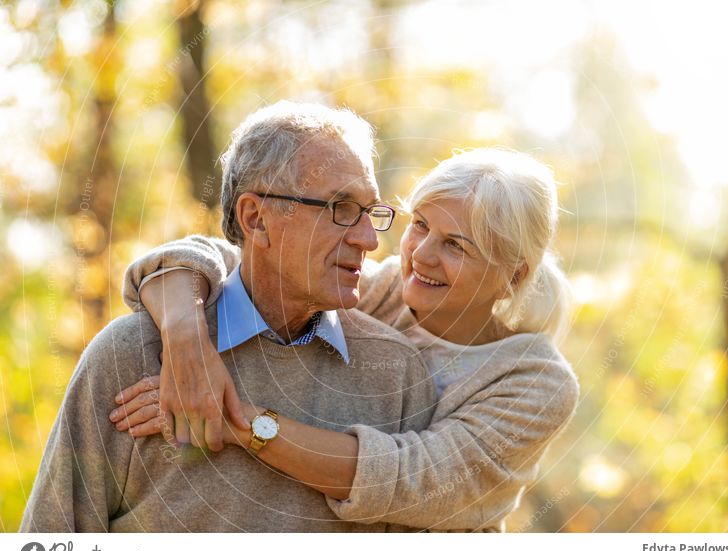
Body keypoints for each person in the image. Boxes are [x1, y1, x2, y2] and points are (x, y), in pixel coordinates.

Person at [20, 101, 437, 532]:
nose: (369, 239)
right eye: (340, 208)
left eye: (371, 212)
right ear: (256, 219)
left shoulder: (397, 376)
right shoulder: (131, 356)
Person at [114, 146, 580, 531]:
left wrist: (232, 418)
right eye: (420, 225)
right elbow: (209, 259)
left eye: (456, 245)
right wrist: (186, 340)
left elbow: (410, 480)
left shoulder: (536, 382)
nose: (421, 255)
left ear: (513, 277)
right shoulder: (384, 292)